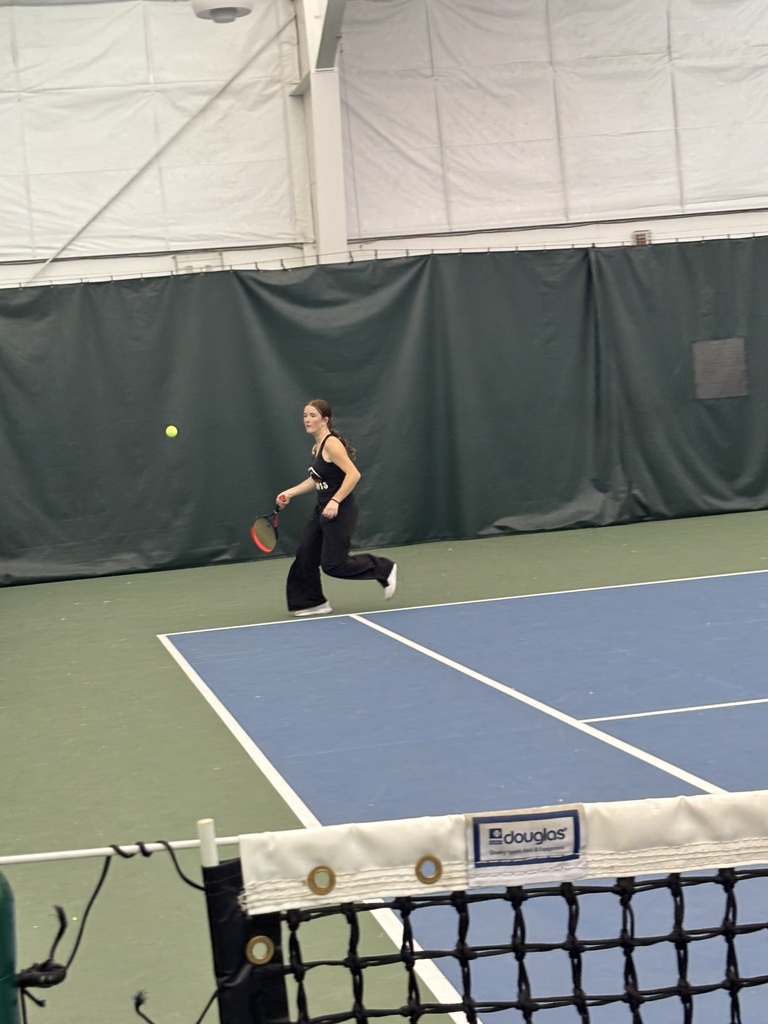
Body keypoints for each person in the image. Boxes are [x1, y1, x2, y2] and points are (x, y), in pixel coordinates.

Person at [277, 399, 397, 616]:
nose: (307, 419)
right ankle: (311, 602)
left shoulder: (332, 444)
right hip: (322, 509)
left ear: (325, 420)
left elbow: (354, 474)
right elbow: (316, 480)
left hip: (339, 510)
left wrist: (335, 501)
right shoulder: (317, 446)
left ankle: (383, 568)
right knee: (305, 553)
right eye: (305, 415)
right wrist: (290, 493)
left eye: (313, 415)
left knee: (333, 565)